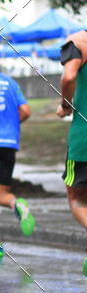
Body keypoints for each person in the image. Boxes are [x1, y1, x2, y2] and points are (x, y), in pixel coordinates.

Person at [0, 45, 34, 258]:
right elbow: (26, 111)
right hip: (8, 144)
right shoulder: (10, 83)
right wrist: (11, 125)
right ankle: (17, 203)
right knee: (1, 194)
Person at [57, 29, 87, 274]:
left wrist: (65, 104)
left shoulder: (77, 42)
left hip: (83, 139)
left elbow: (68, 78)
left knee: (76, 198)